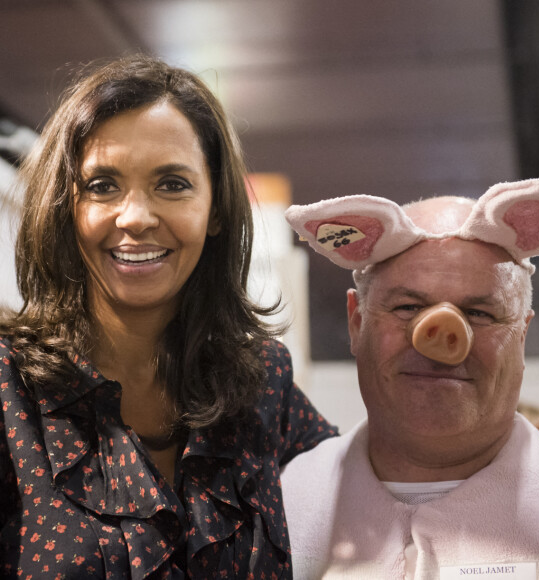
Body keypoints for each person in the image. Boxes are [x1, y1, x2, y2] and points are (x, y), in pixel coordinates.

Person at [0, 54, 338, 579]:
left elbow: (382, 487)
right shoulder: (8, 388)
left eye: (172, 184)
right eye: (102, 185)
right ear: (67, 207)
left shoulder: (261, 384)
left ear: (217, 209)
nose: (134, 216)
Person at [282, 181, 539, 579]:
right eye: (408, 307)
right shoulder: (283, 500)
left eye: (479, 313)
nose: (441, 342)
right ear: (357, 321)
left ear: (522, 334)